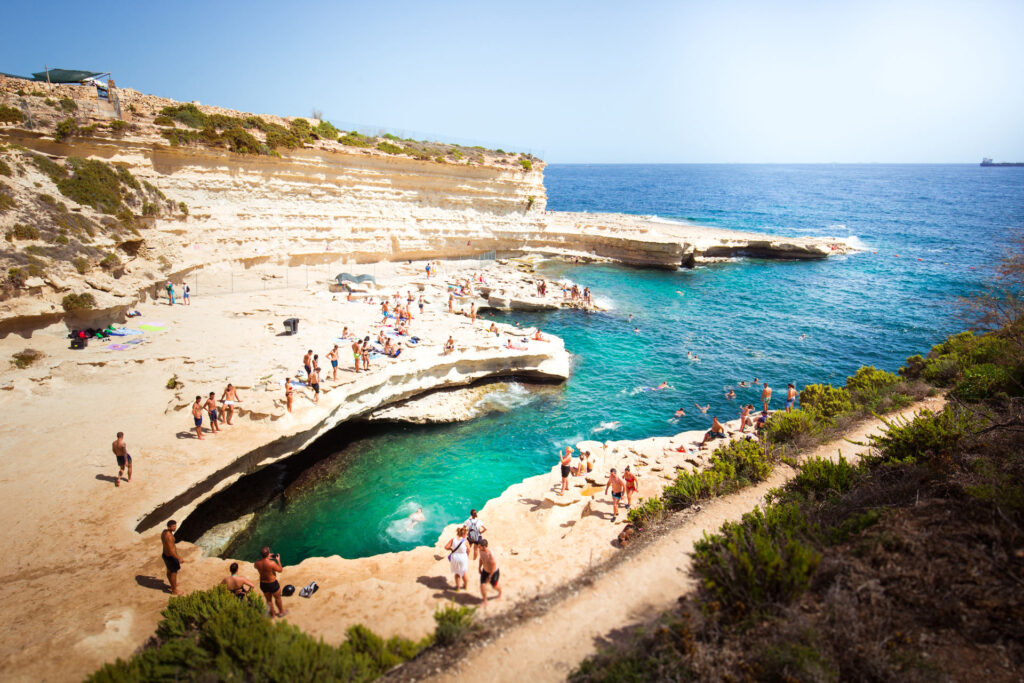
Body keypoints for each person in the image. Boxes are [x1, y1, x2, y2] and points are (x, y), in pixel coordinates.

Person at [255, 547, 287, 618]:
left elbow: (257, 566)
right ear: (268, 553)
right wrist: (278, 560)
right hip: (272, 584)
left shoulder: (257, 563)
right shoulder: (271, 563)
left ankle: (272, 614)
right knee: (278, 598)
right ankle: (281, 612)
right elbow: (280, 570)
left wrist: (266, 558)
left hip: (263, 584)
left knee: (268, 600)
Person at [477, 539, 502, 606]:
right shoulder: (480, 550)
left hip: (493, 572)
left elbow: (493, 566)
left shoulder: (490, 554)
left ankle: (500, 593)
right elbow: (481, 559)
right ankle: (485, 601)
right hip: (485, 570)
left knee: (494, 586)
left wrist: (490, 576)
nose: (478, 547)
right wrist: (479, 567)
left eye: (480, 546)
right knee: (482, 585)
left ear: (484, 546)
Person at [444, 526, 469, 591]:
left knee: (457, 573)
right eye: (466, 534)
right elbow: (468, 549)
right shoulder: (465, 541)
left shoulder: (453, 539)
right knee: (463, 573)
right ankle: (466, 586)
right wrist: (467, 555)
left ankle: (458, 588)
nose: (466, 535)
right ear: (463, 534)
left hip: (455, 557)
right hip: (463, 557)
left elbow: (446, 547)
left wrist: (451, 549)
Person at [161, 520, 182, 595]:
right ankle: (174, 590)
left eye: (175, 525)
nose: (175, 527)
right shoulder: (169, 537)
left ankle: (173, 585)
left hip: (165, 555)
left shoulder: (164, 532)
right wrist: (178, 558)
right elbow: (171, 551)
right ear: (169, 527)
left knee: (169, 571)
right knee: (173, 573)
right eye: (173, 526)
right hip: (171, 557)